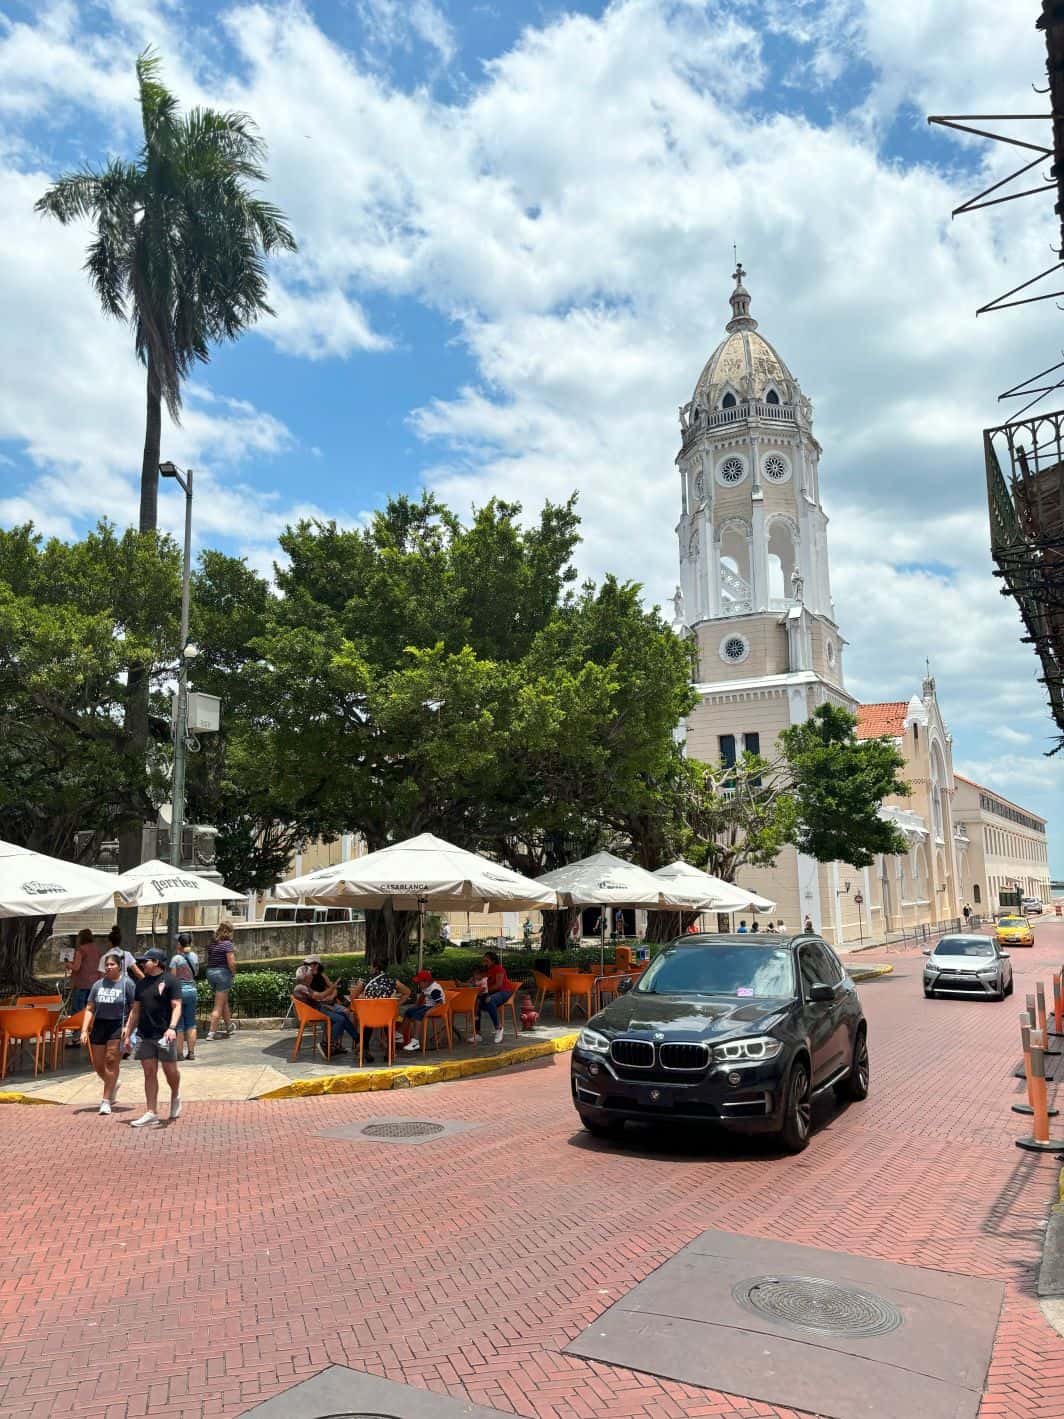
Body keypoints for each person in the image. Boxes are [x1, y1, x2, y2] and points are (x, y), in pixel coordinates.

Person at [123, 947, 182, 1127]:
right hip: (145, 1034)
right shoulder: (141, 984)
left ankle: (175, 1094)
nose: (142, 964)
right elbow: (135, 1011)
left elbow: (176, 1005)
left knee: (169, 1071)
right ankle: (151, 1112)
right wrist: (128, 1032)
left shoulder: (171, 981)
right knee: (149, 1072)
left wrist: (172, 1027)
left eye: (145, 961)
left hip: (165, 1034)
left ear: (156, 962)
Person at [81, 951, 134, 1114]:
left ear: (119, 967)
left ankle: (105, 1101)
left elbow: (134, 1008)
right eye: (107, 965)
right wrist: (84, 1029)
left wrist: (128, 1026)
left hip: (117, 1024)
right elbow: (90, 1007)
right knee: (98, 1065)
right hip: (100, 1024)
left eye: (112, 964)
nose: (109, 967)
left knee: (111, 1060)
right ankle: (112, 1083)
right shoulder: (98, 985)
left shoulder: (127, 984)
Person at [293, 966, 359, 1060]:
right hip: (314, 1013)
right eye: (310, 976)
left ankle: (356, 1040)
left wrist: (327, 1005)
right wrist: (332, 987)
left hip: (317, 1009)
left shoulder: (303, 987)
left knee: (342, 1015)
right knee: (340, 1019)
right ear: (305, 977)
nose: (312, 977)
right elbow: (319, 996)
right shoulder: (301, 987)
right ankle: (327, 1045)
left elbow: (317, 1001)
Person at [350, 966, 410, 1062]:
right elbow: (407, 992)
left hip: (370, 1017)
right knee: (389, 1021)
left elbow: (353, 996)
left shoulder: (365, 981)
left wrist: (358, 1010)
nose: (369, 969)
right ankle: (389, 1051)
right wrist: (396, 1005)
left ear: (375, 968)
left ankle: (365, 1049)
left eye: (371, 967)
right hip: (386, 1017)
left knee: (366, 1021)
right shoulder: (392, 981)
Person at [473, 950, 515, 1045]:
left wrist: (485, 992)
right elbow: (475, 981)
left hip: (504, 992)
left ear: (493, 961)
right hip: (490, 993)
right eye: (483, 961)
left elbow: (499, 985)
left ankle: (498, 1028)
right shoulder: (484, 971)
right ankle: (478, 1034)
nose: (484, 963)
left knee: (489, 1000)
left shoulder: (499, 969)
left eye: (486, 961)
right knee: (476, 1003)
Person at [169, 933, 200, 1061]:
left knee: (179, 1025)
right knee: (191, 1023)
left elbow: (172, 978)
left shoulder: (176, 959)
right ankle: (191, 1053)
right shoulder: (194, 957)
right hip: (192, 991)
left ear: (179, 944)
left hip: (179, 993)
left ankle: (180, 1053)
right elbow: (196, 972)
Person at [399, 970, 447, 1052]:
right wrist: (415, 1007)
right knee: (409, 1011)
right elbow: (422, 997)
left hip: (436, 1008)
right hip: (428, 1005)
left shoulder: (434, 990)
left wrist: (430, 1011)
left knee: (417, 1016)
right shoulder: (426, 986)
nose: (418, 984)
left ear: (426, 981)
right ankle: (399, 1035)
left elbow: (440, 1004)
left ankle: (415, 1041)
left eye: (419, 982)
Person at [205, 920, 236, 1041]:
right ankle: (211, 1032)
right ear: (229, 932)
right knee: (218, 1005)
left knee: (223, 1001)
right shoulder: (227, 944)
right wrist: (233, 973)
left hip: (210, 973)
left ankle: (229, 1026)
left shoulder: (213, 944)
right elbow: (231, 962)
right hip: (222, 974)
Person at [66, 928, 101, 1015]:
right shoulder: (96, 949)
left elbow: (76, 967)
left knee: (78, 1009)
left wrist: (68, 964)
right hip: (94, 982)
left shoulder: (81, 950)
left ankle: (78, 1027)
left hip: (81, 983)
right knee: (89, 1008)